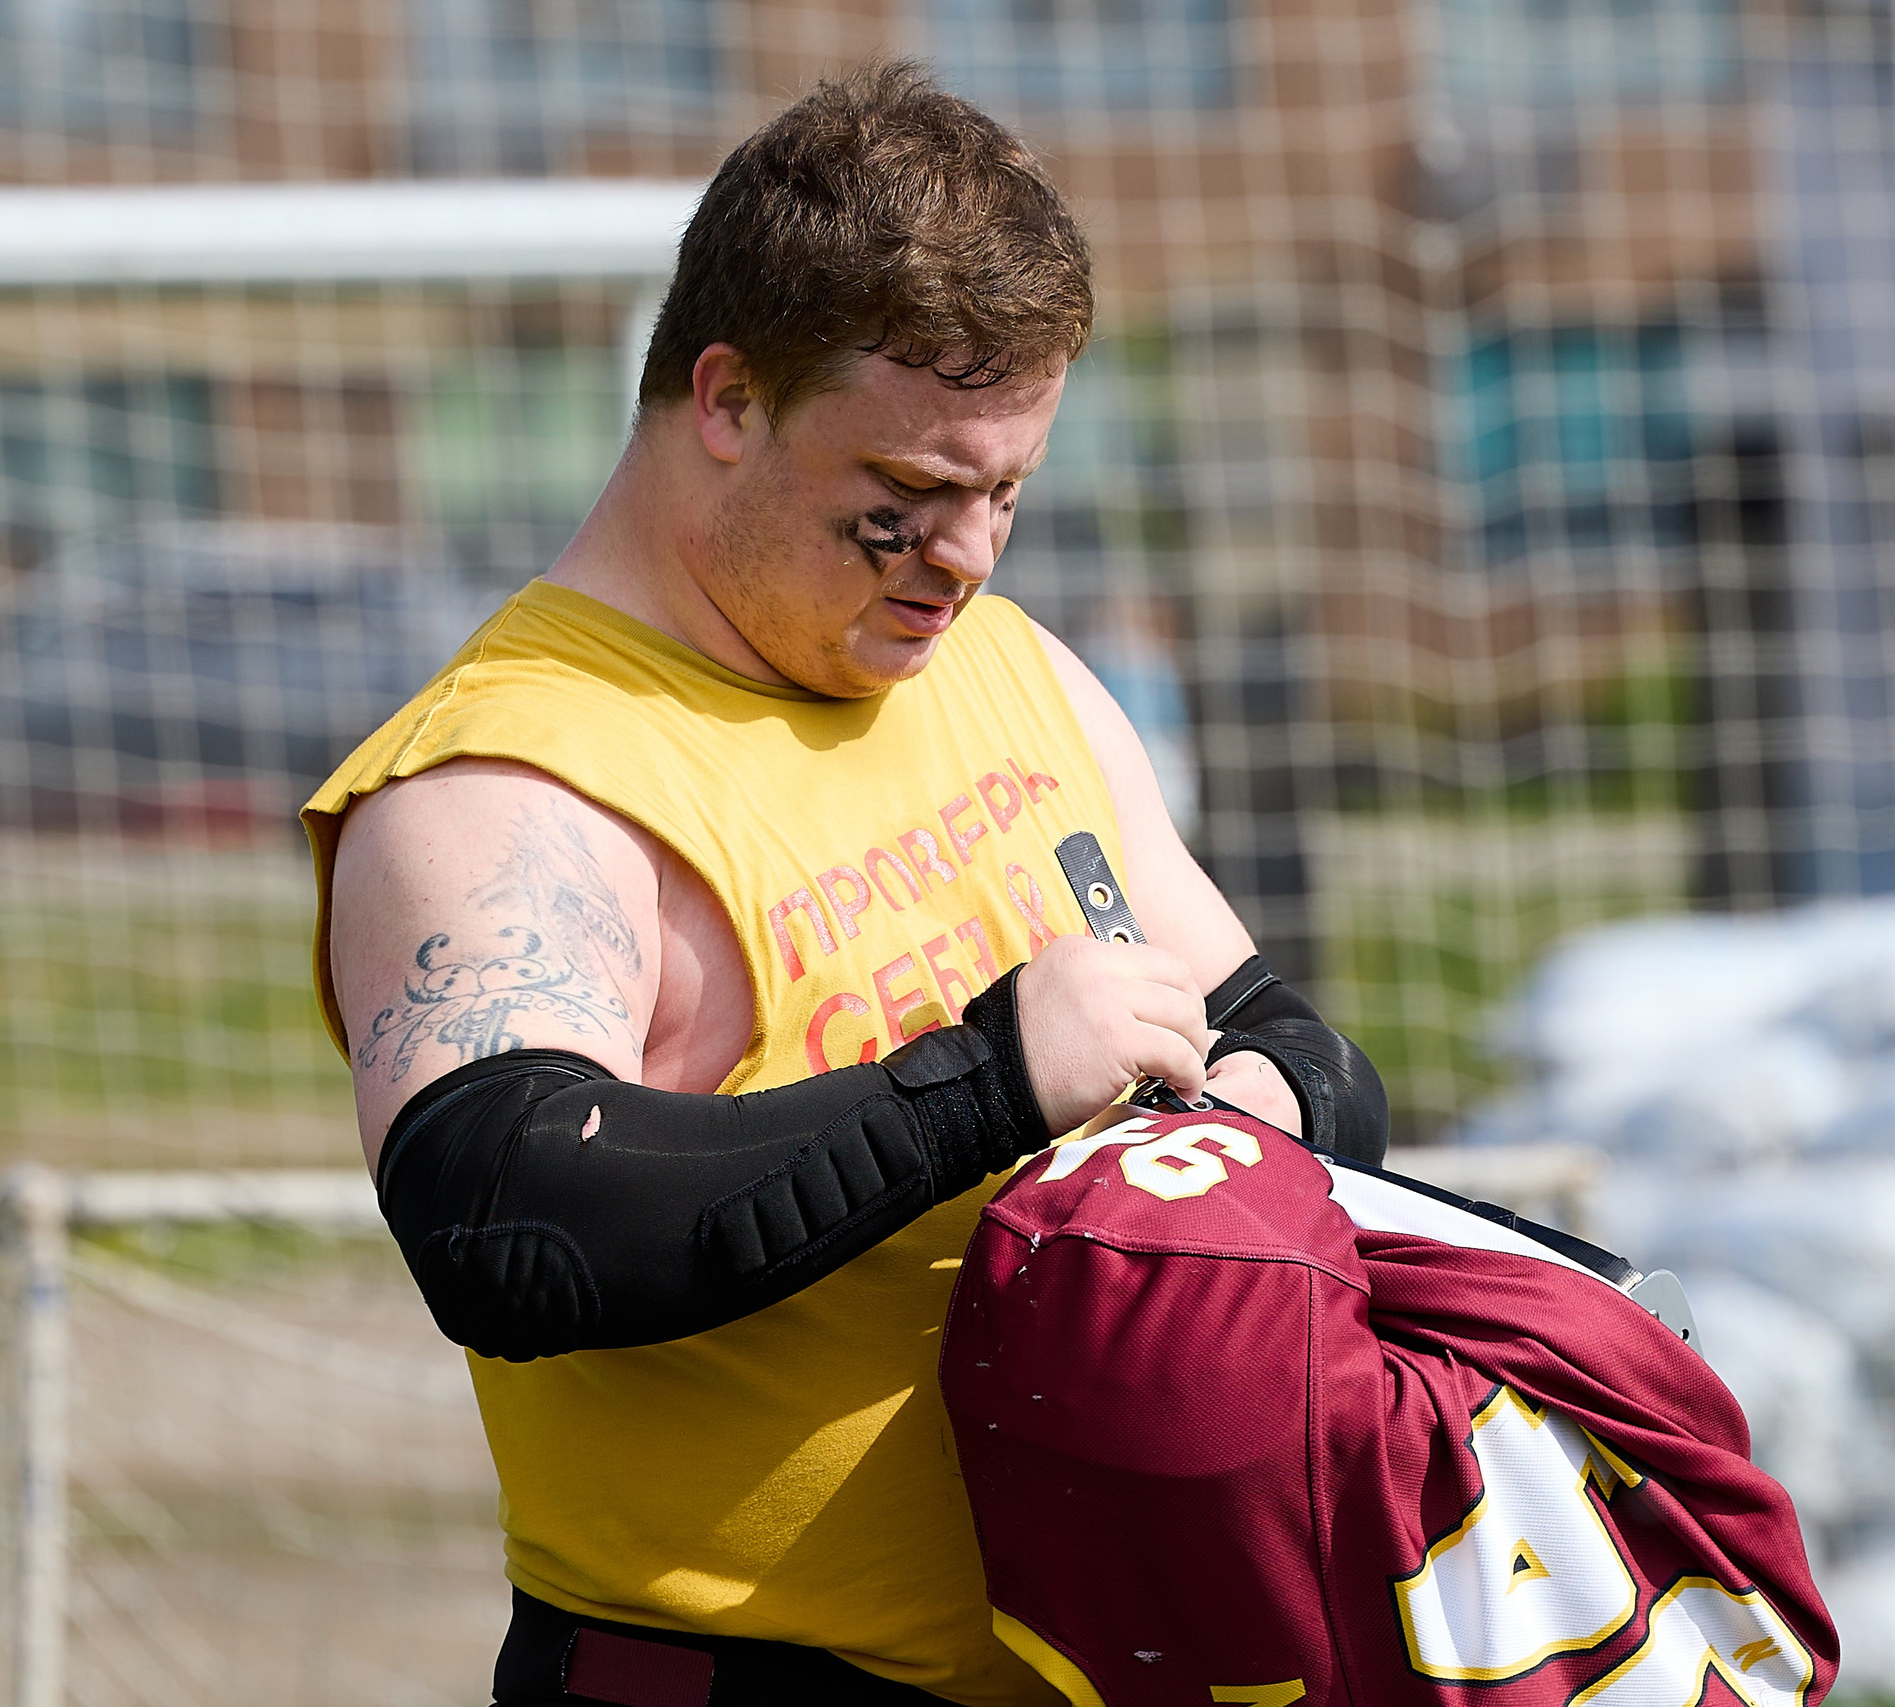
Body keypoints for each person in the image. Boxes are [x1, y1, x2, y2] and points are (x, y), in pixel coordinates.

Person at [302, 62, 1387, 1707]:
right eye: (907, 501)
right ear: (727, 400)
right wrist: (987, 1081)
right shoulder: (502, 779)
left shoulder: (1009, 671)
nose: (965, 559)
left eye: (1008, 492)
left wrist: (1259, 1114)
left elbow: (1296, 1043)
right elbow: (504, 1224)